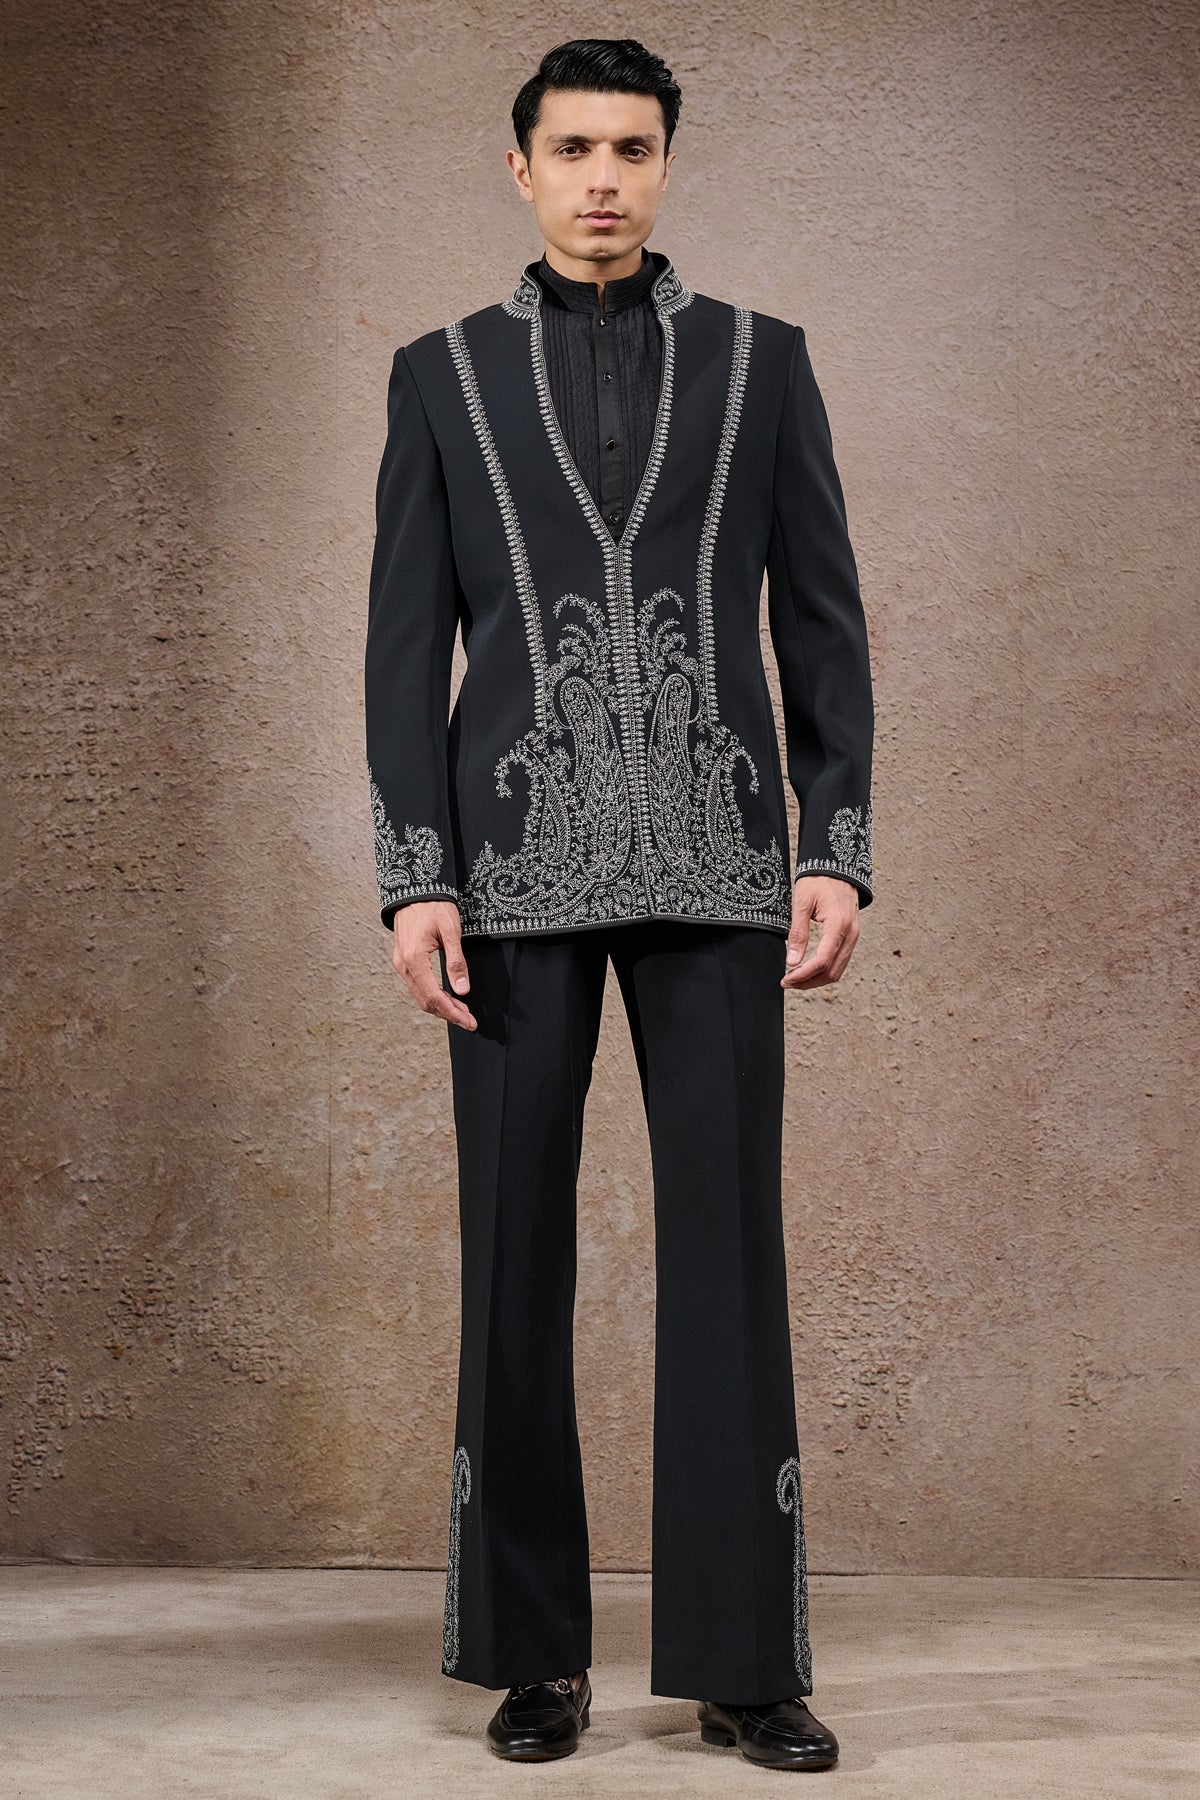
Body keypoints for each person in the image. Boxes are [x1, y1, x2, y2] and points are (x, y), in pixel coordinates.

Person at [364, 37, 875, 1772]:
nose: (603, 177)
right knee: (513, 1255)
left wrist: (833, 842)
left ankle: (744, 1662)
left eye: (633, 149)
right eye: (573, 147)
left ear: (667, 166)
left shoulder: (764, 363)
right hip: (508, 879)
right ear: (521, 167)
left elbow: (822, 619)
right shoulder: (439, 377)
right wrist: (416, 881)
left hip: (725, 867)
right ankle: (534, 1656)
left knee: (729, 1254)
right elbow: (402, 655)